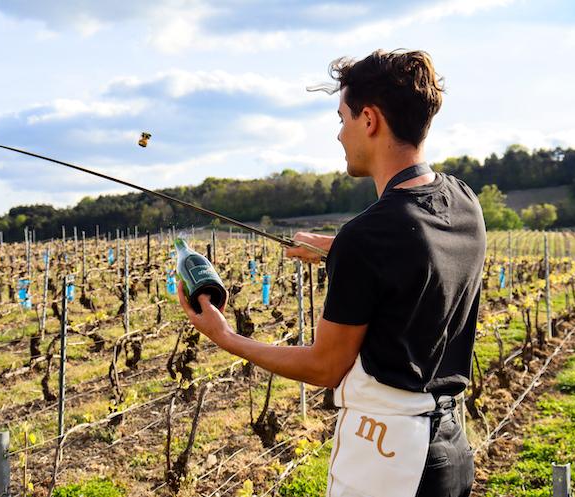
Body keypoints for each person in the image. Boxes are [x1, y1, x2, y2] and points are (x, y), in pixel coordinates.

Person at [177, 49, 485, 497]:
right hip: (450, 449)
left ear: (370, 120)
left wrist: (226, 338)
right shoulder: (463, 201)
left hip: (390, 462)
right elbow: (416, 252)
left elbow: (326, 366)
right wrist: (336, 248)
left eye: (342, 117)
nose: (339, 134)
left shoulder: (370, 237)